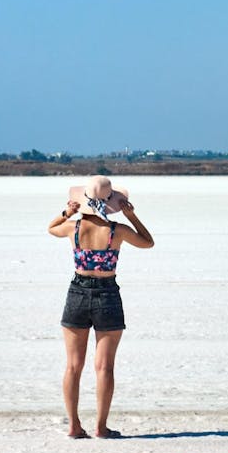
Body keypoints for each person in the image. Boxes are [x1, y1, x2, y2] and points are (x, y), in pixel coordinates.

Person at [47, 176, 155, 438]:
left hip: (77, 293)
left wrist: (66, 213)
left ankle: (74, 426)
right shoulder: (118, 231)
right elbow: (147, 242)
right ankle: (101, 427)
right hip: (107, 295)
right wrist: (131, 216)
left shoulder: (73, 227)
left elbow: (51, 228)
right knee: (104, 367)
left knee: (73, 366)